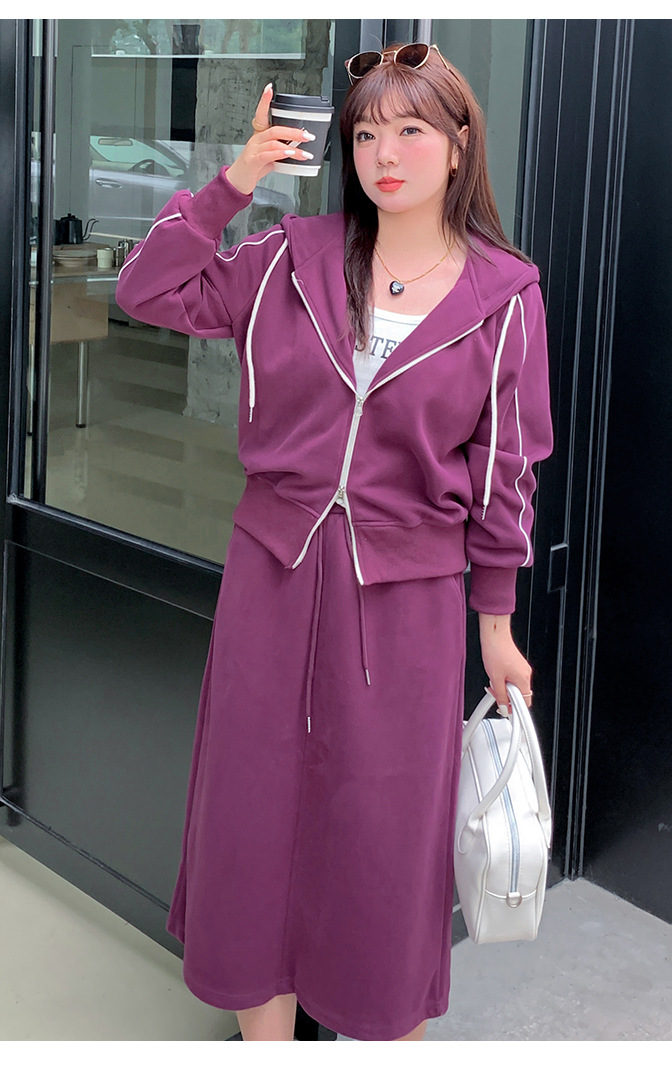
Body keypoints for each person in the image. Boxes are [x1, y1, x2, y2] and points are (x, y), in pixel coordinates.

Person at [116, 42, 553, 1043]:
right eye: (365, 134)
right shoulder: (290, 257)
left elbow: (506, 469)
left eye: (411, 129)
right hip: (271, 581)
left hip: (405, 603)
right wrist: (235, 180)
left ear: (460, 143)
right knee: (252, 821)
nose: (384, 154)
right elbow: (147, 291)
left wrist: (495, 623)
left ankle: (383, 1027)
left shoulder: (504, 296)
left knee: (384, 837)